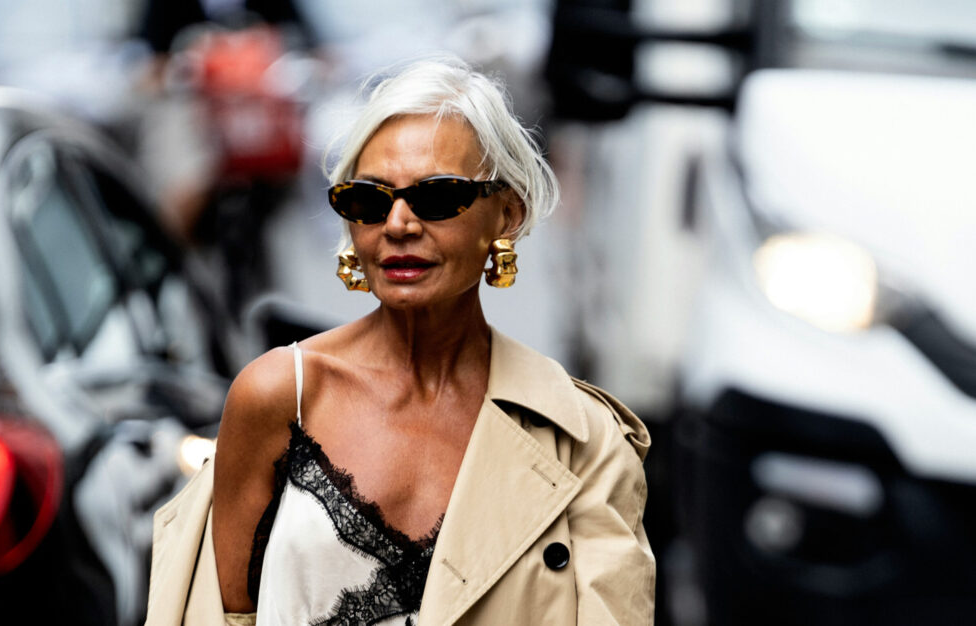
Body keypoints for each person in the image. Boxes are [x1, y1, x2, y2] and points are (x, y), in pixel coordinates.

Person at [145, 56, 655, 626]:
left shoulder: (582, 438)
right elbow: (220, 615)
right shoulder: (279, 396)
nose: (398, 224)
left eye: (437, 196)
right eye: (368, 200)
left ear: (506, 215)